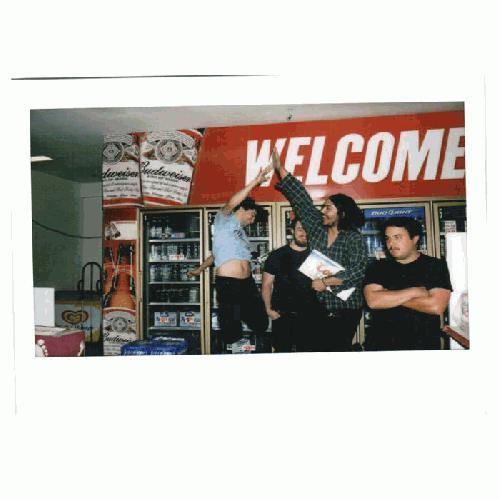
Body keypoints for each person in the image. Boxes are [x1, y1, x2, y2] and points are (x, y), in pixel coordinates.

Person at [272, 149, 368, 351]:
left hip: (345, 309)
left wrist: (325, 282)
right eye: (323, 207)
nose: (322, 211)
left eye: (328, 208)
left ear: (342, 213)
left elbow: (358, 271)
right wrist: (281, 170)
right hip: (318, 306)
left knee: (336, 351)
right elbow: (301, 200)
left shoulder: (354, 238)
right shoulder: (317, 229)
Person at [207, 163, 274, 351]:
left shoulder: (242, 235)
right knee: (231, 332)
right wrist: (255, 182)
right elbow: (231, 202)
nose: (252, 221)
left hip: (247, 284)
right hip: (229, 284)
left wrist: (200, 268)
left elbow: (216, 254)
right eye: (252, 216)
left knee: (261, 323)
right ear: (242, 209)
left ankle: (242, 314)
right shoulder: (223, 221)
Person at [363, 217, 452, 350]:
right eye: (387, 238)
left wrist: (387, 296)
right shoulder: (377, 267)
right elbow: (373, 301)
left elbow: (436, 306)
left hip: (422, 345)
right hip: (381, 344)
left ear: (415, 239)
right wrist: (415, 292)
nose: (391, 243)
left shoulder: (435, 266)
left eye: (397, 237)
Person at [261, 218, 323, 352]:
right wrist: (269, 310)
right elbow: (266, 284)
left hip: (311, 316)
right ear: (292, 231)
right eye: (300, 229)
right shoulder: (277, 255)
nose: (304, 233)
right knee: (282, 355)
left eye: (308, 229)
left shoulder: (317, 256)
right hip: (283, 316)